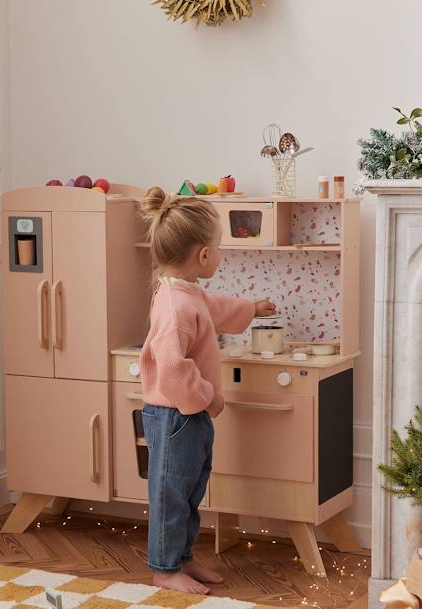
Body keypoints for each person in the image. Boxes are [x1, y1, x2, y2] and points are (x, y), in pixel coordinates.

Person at [139, 187, 276, 594]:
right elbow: (172, 366)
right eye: (217, 248)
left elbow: (214, 309)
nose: (219, 255)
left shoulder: (188, 293)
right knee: (171, 492)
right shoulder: (175, 306)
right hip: (175, 415)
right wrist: (209, 398)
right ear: (203, 255)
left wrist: (252, 309)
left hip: (188, 415)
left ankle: (181, 558)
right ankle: (164, 569)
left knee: (192, 488)